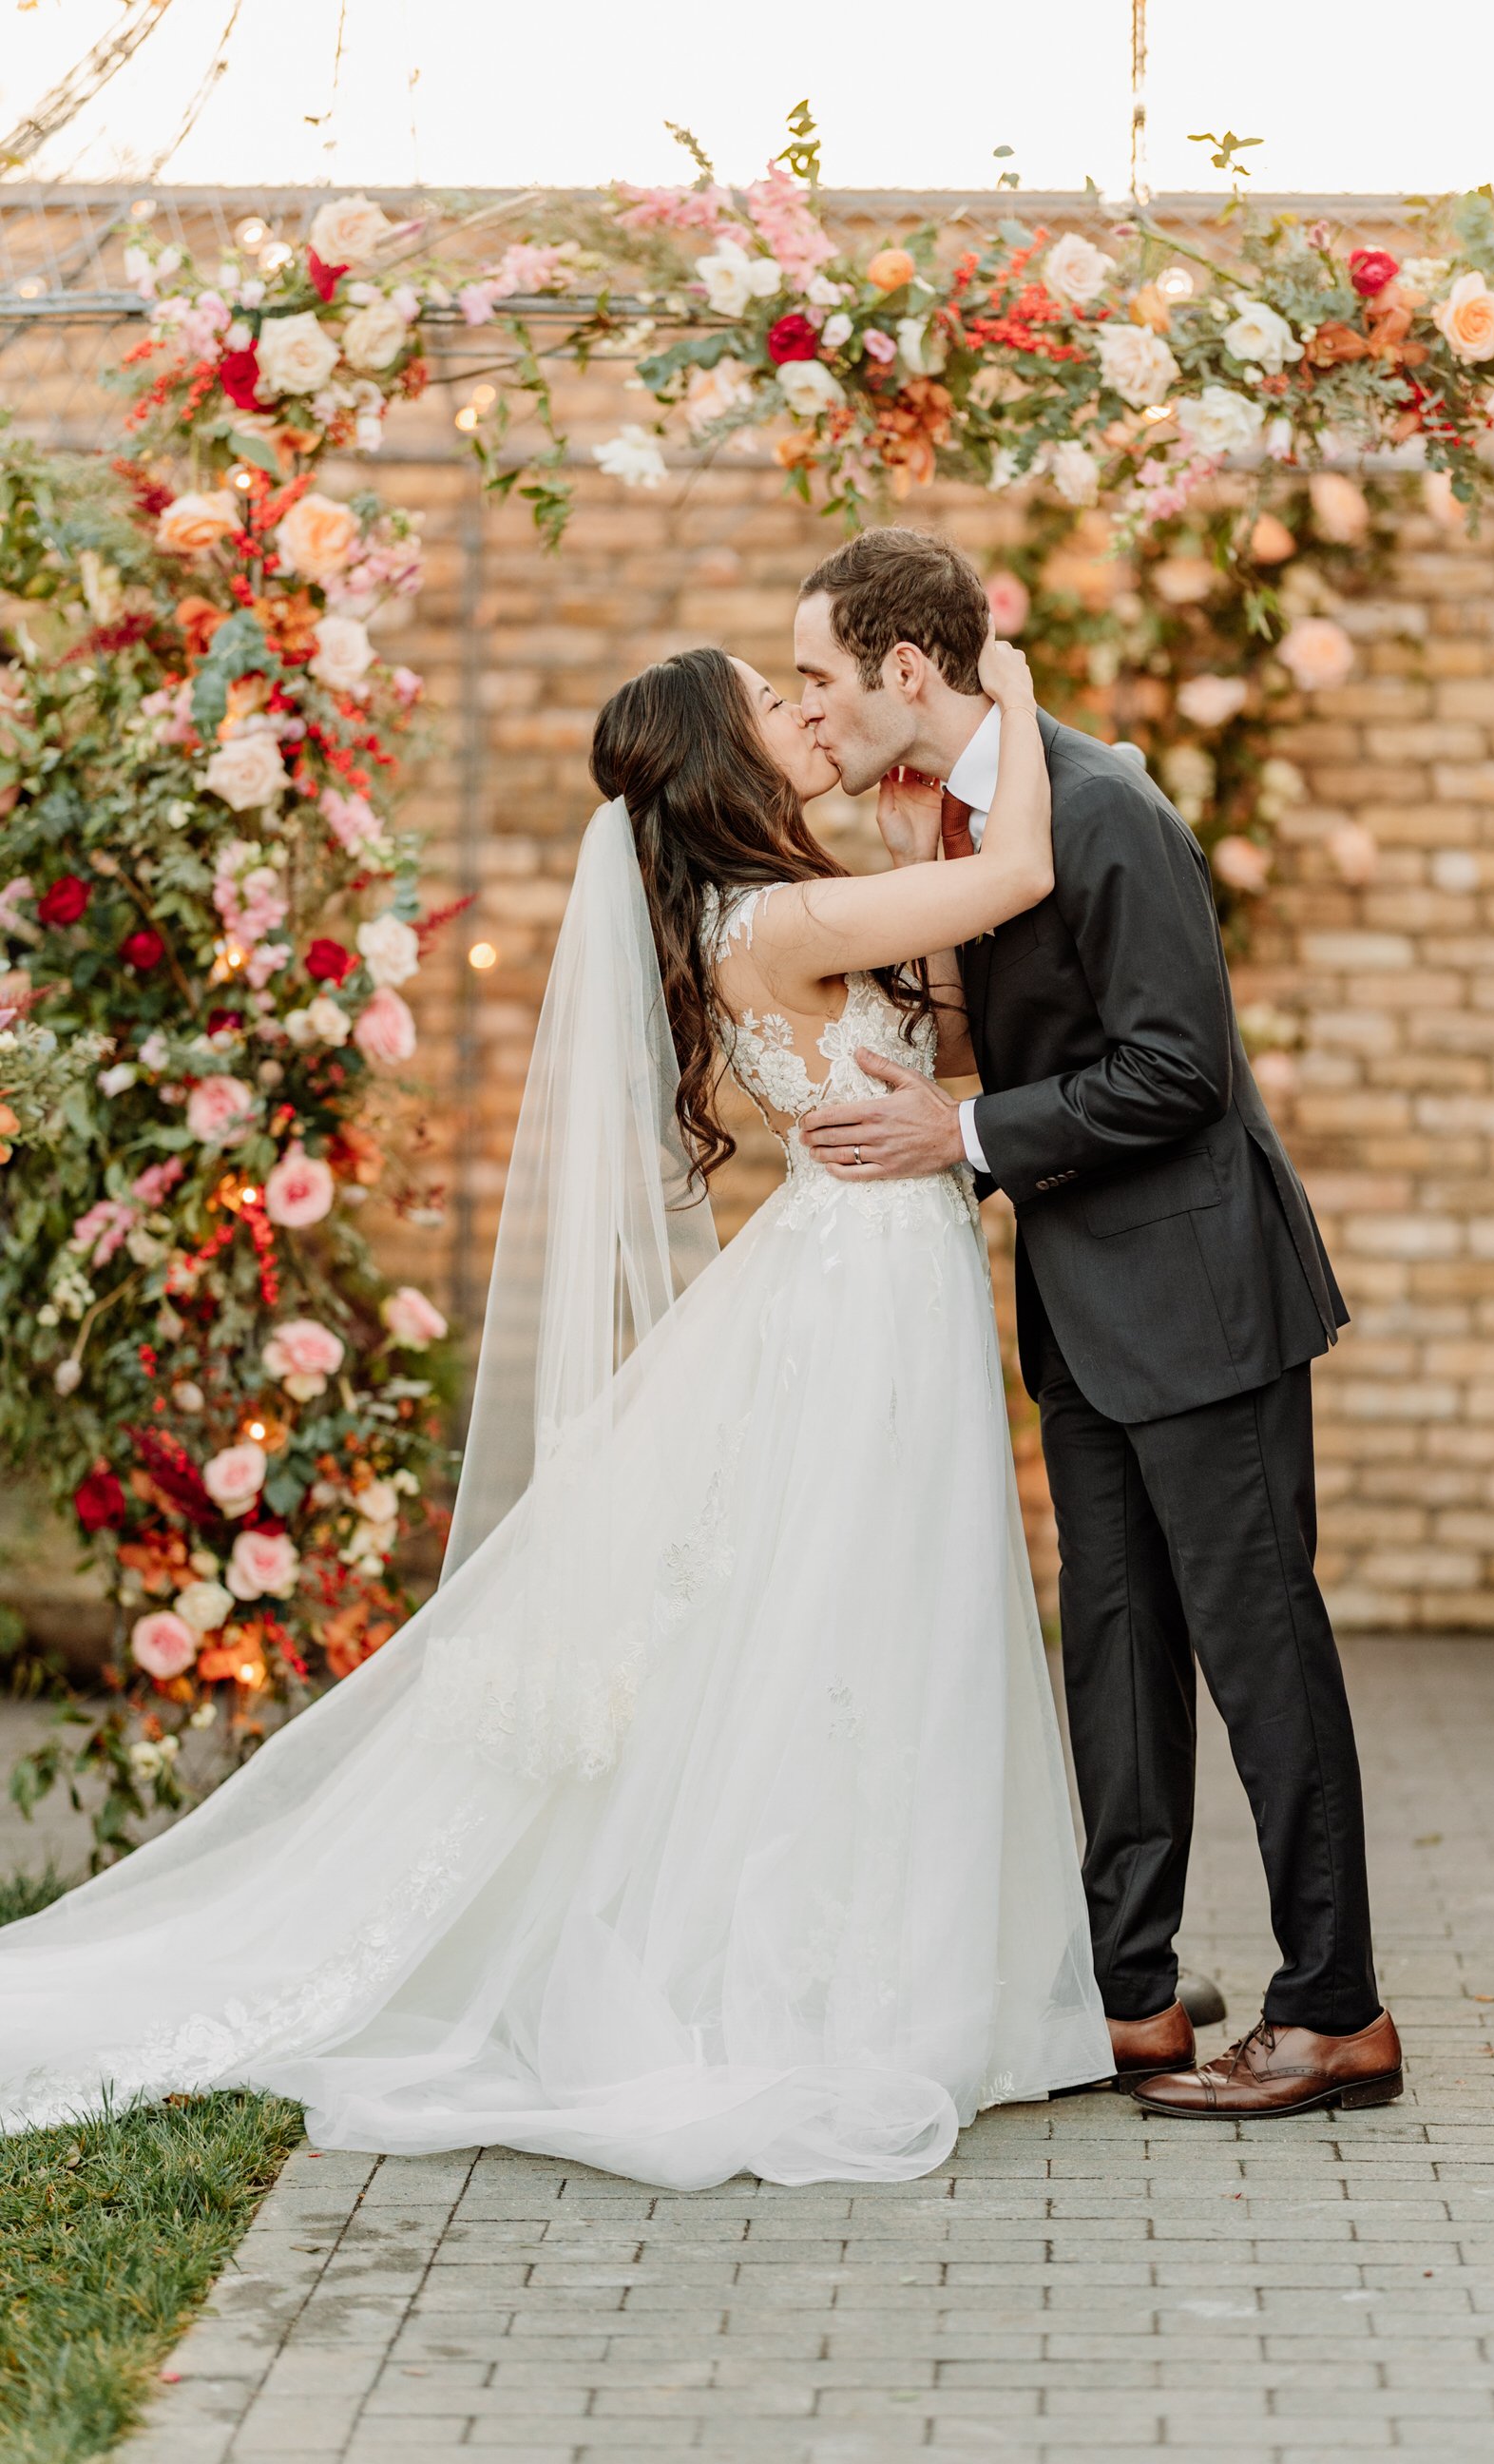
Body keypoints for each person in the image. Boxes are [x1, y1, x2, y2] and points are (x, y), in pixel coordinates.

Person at [0, 636, 1112, 2187]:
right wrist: (1004, 698)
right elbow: (1017, 877)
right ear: (725, 758)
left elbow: (953, 970)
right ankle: (829, 1979)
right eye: (770, 701)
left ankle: (908, 1965)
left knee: (864, 1618)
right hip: (854, 1302)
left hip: (870, 1283)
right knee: (848, 1615)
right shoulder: (780, 917)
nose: (804, 709)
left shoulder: (774, 903)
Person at [795, 528, 1402, 2121]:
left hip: (1201, 1303)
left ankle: (1335, 2012)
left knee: (1260, 1654)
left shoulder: (1108, 806)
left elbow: (1177, 1071)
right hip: (1084, 1313)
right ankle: (1130, 1997)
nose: (809, 707)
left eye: (817, 676)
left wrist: (968, 1135)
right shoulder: (980, 816)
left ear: (905, 673)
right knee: (1115, 1659)